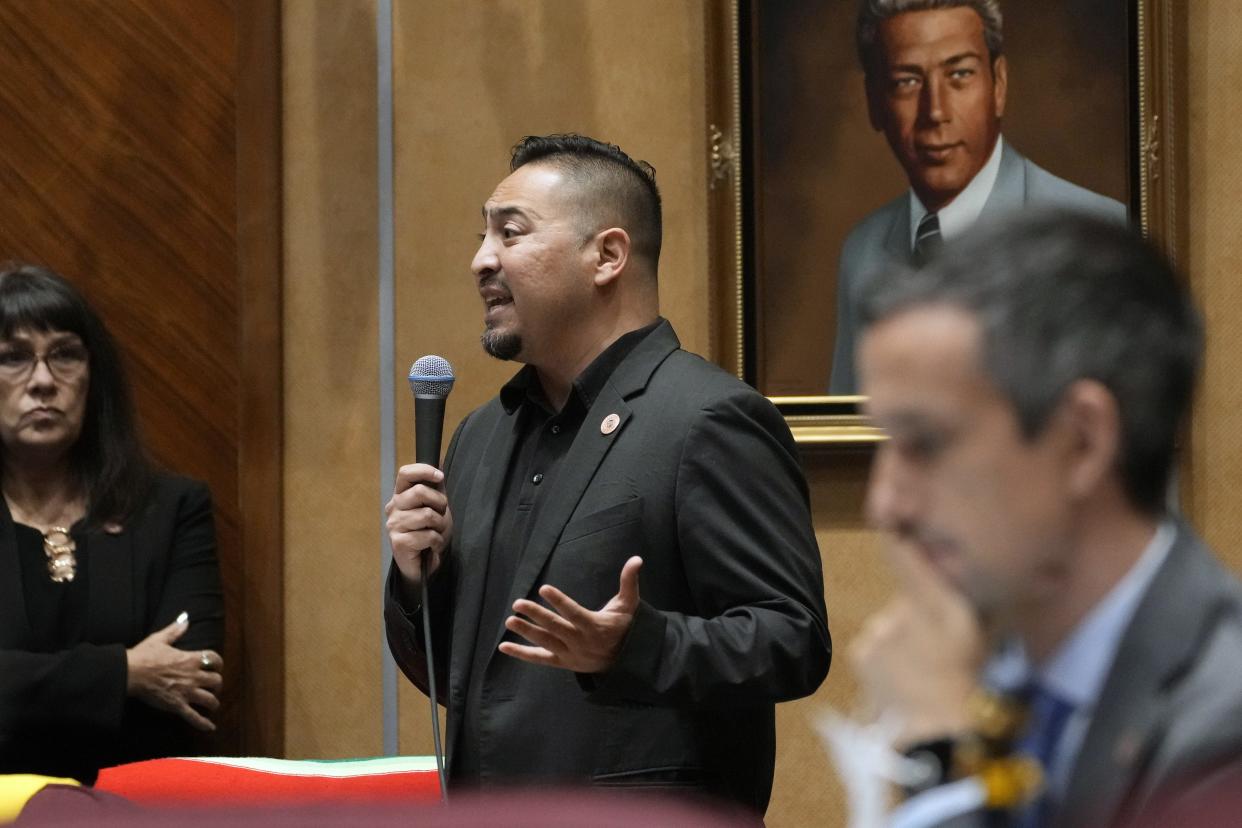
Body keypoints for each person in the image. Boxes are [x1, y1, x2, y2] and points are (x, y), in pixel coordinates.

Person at [383, 134, 831, 814]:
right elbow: (460, 679)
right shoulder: (480, 434)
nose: (481, 261)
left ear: (609, 256)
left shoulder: (707, 419)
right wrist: (418, 577)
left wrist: (640, 644)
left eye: (511, 233)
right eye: (482, 236)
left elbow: (793, 639)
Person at [848, 210, 1242, 827]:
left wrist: (948, 756)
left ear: (1082, 442)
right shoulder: (1001, 666)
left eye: (924, 443)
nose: (886, 505)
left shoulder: (1225, 720)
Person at [829, 0, 1127, 394]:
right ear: (874, 101)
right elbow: (844, 438)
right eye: (907, 81)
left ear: (998, 85)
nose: (935, 111)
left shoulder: (1101, 235)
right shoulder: (863, 250)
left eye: (960, 74)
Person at [0, 264, 224, 784]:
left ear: (92, 376)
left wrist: (26, 686)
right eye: (12, 357)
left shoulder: (171, 508)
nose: (41, 381)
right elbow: (152, 679)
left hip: (133, 805)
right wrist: (125, 673)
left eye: (65, 354)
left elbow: (198, 676)